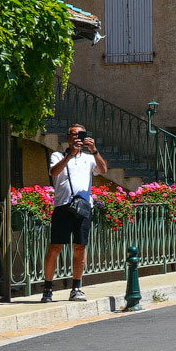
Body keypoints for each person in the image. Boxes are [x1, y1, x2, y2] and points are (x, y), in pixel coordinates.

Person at [43, 124, 107, 302]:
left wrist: (94, 150)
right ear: (68, 137)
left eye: (81, 134)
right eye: (74, 134)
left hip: (83, 207)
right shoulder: (58, 155)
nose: (77, 137)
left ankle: (76, 288)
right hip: (63, 206)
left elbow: (103, 169)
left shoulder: (89, 158)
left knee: (80, 247)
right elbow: (54, 172)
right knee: (55, 247)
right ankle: (48, 288)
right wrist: (70, 154)